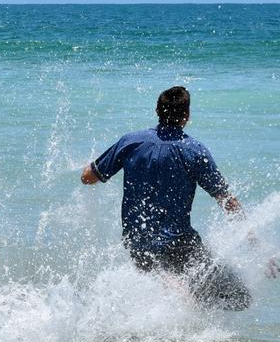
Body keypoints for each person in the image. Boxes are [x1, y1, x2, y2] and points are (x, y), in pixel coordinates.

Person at [80, 86, 270, 310]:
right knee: (238, 297)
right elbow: (228, 202)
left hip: (137, 244)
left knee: (173, 285)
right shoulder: (194, 151)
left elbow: (88, 177)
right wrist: (258, 247)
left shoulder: (130, 142)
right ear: (187, 116)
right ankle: (188, 311)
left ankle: (177, 297)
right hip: (180, 244)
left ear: (157, 111)